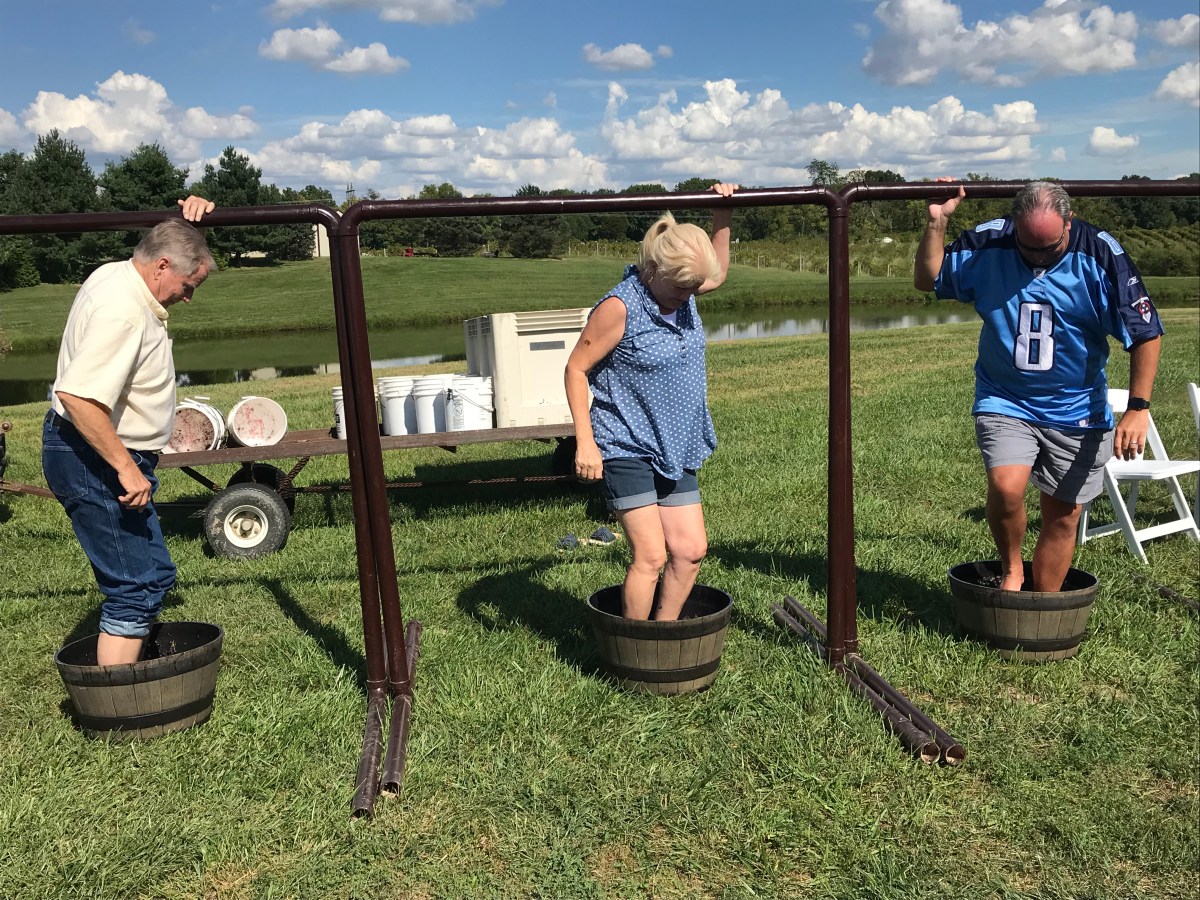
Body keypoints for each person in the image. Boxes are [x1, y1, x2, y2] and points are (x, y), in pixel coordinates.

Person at [914, 179, 1163, 592]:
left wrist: (1138, 407)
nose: (1038, 257)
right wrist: (936, 223)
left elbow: (1145, 332)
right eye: (1028, 247)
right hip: (1005, 398)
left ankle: (1044, 606)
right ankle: (1013, 569)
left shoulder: (1100, 253)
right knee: (1006, 486)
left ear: (1069, 222)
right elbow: (929, 279)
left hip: (1077, 407)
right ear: (1014, 225)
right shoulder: (991, 241)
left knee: (1063, 515)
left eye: (1049, 248)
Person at [42, 196, 216, 665]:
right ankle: (117, 698)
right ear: (162, 266)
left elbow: (169, 244)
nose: (188, 297)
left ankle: (132, 674)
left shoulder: (117, 274)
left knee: (154, 573)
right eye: (188, 285)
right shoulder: (123, 311)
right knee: (135, 587)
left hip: (96, 453)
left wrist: (192, 221)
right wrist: (126, 468)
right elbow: (78, 396)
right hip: (94, 457)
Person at [565, 183, 736, 621]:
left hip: (674, 444)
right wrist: (585, 442)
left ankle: (663, 635)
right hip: (627, 444)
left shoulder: (681, 291)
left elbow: (716, 275)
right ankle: (634, 645)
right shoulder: (620, 307)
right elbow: (576, 369)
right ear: (655, 270)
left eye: (693, 288)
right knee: (651, 556)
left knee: (690, 550)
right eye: (682, 288)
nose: (689, 296)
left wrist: (722, 213)